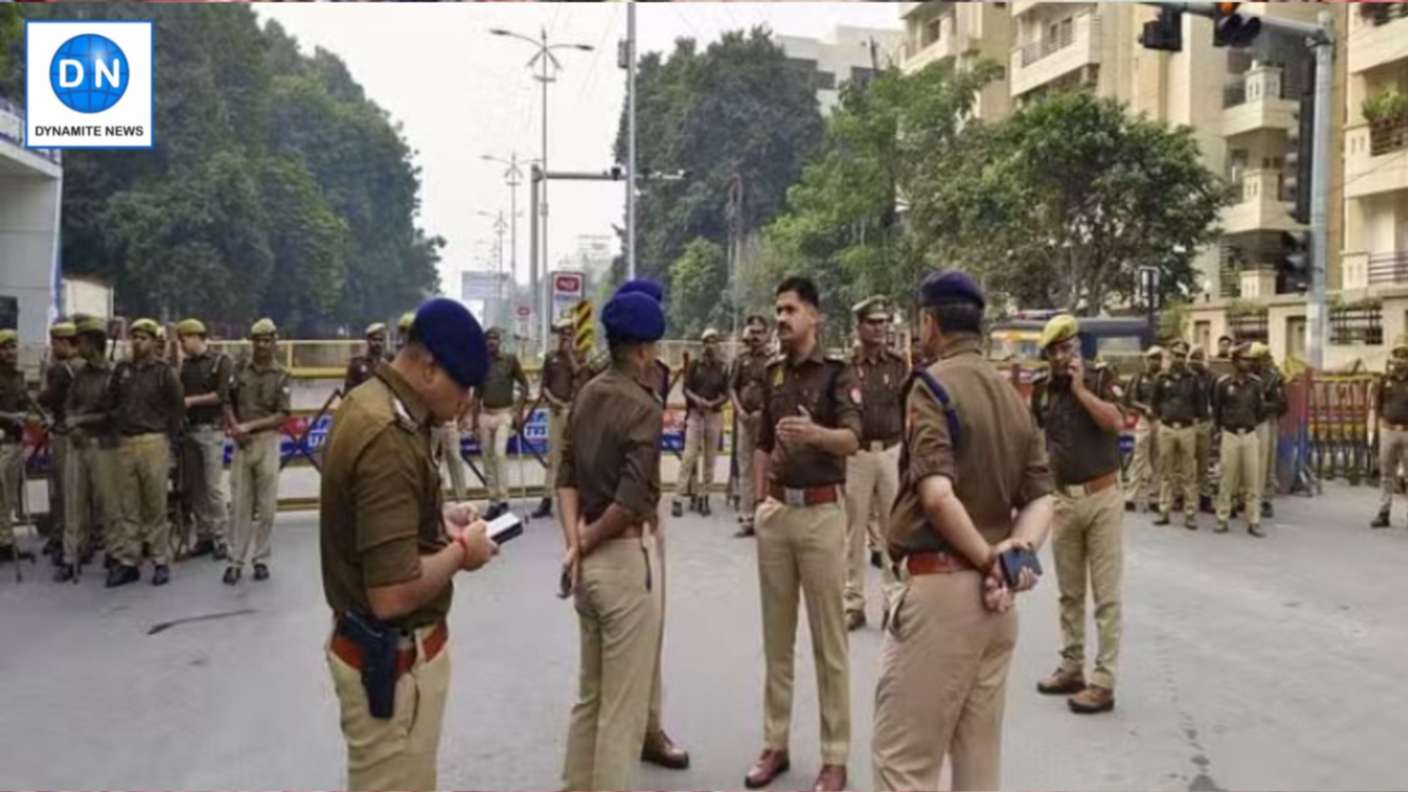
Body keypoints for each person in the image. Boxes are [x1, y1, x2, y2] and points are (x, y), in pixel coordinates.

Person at [871, 271, 1054, 792]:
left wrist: (986, 559)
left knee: (903, 763)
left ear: (929, 323)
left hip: (943, 594)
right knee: (977, 764)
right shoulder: (1010, 395)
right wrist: (1015, 557)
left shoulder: (931, 387)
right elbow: (1042, 497)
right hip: (996, 611)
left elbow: (936, 494)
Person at [320, 298, 498, 792]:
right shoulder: (390, 438)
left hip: (382, 657)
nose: (466, 401)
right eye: (462, 385)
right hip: (392, 667)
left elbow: (375, 516)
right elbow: (392, 594)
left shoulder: (372, 401)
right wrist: (465, 552)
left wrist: (438, 517)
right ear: (427, 367)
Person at [743, 275, 861, 792]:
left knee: (828, 642)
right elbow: (763, 442)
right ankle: (776, 744)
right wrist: (760, 498)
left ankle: (835, 756)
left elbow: (853, 439)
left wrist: (816, 434)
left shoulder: (837, 375)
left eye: (790, 310)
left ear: (814, 316)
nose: (782, 320)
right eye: (778, 311)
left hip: (820, 516)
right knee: (776, 640)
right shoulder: (772, 376)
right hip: (778, 516)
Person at [556, 289, 669, 791]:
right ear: (644, 350)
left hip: (586, 564)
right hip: (622, 556)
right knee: (621, 715)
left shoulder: (586, 394)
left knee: (590, 699)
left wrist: (573, 544)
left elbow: (565, 477)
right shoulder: (643, 406)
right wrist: (590, 540)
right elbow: (628, 499)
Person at [608, 277, 691, 772]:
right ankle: (623, 737)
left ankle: (649, 727)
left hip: (646, 508)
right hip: (620, 515)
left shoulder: (657, 373)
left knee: (653, 627)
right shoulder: (610, 381)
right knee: (624, 636)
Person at [1031, 314, 1127, 715]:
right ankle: (1072, 667)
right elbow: (1039, 442)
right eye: (1055, 350)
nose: (1062, 356)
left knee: (1105, 596)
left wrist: (1081, 389)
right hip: (1064, 501)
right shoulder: (1041, 392)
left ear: (1078, 347)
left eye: (1068, 347)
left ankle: (1103, 681)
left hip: (1102, 497)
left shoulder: (1101, 378)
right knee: (1069, 593)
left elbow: (1115, 422)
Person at [843, 296, 908, 632]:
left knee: (892, 528)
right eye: (873, 322)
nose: (880, 328)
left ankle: (893, 599)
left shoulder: (898, 365)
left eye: (884, 322)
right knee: (854, 530)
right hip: (858, 453)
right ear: (859, 326)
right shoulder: (846, 367)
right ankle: (853, 602)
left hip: (891, 453)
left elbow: (908, 408)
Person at [104, 318, 184, 588]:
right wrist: (120, 421)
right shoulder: (122, 370)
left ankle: (160, 560)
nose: (138, 341)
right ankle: (130, 561)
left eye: (144, 337)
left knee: (155, 504)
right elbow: (110, 401)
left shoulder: (164, 372)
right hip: (126, 442)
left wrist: (167, 438)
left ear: (153, 341)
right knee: (128, 505)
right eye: (135, 336)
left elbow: (177, 408)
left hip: (154, 441)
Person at [222, 319, 291, 585]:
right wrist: (235, 427)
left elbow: (283, 413)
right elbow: (227, 400)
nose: (262, 346)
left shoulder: (281, 374)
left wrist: (250, 425)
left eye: (267, 340)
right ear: (252, 342)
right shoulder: (240, 370)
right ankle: (234, 561)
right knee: (239, 505)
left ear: (274, 342)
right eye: (258, 340)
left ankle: (261, 558)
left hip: (267, 440)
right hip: (242, 442)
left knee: (267, 507)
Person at [55, 318, 119, 581]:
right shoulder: (80, 374)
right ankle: (71, 557)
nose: (77, 344)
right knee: (73, 503)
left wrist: (81, 421)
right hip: (77, 443)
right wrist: (74, 426)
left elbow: (113, 414)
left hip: (102, 444)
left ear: (92, 343)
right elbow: (69, 404)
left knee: (109, 504)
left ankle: (116, 553)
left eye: (81, 340)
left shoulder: (113, 375)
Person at [177, 318, 233, 560]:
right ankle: (204, 534)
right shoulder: (185, 367)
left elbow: (221, 395)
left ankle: (221, 536)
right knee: (196, 488)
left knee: (212, 487)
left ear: (197, 337)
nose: (182, 344)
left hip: (211, 430)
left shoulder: (220, 362)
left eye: (185, 339)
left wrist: (191, 401)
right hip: (191, 430)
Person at [472, 327, 529, 520]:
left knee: (499, 454)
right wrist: (473, 423)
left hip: (505, 413)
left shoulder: (510, 360)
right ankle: (493, 501)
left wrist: (519, 412)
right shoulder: (480, 364)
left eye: (494, 338)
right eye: (488, 339)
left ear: (500, 341)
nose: (491, 342)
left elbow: (525, 386)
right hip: (485, 414)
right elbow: (476, 396)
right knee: (487, 458)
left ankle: (504, 499)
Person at [674, 328, 729, 518]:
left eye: (715, 341)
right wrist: (697, 401)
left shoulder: (722, 367)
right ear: (703, 344)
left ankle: (705, 496)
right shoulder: (695, 365)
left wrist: (713, 403)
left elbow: (726, 393)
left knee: (710, 459)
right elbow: (686, 388)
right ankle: (678, 497)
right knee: (689, 456)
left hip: (713, 415)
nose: (711, 345)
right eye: (708, 341)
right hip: (696, 415)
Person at [1213, 343, 1266, 537]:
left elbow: (1260, 411)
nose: (1248, 363)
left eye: (1250, 360)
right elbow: (1217, 411)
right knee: (1227, 479)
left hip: (1250, 434)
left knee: (1252, 479)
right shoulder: (1223, 384)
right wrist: (1222, 429)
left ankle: (1254, 520)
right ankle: (1222, 517)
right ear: (1235, 361)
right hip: (1230, 434)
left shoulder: (1256, 384)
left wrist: (1250, 423)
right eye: (1244, 359)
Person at [1151, 339, 1205, 530]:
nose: (1179, 358)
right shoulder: (1161, 378)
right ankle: (1164, 511)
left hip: (1187, 428)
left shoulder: (1193, 379)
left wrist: (1195, 423)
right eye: (1175, 354)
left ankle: (1190, 514)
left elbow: (1201, 405)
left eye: (1182, 355)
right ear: (1170, 355)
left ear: (1186, 357)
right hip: (1166, 427)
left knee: (1188, 473)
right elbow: (1154, 403)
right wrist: (1160, 420)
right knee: (1166, 471)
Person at [38, 321, 77, 560]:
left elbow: (47, 398)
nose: (53, 347)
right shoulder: (83, 366)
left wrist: (44, 376)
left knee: (62, 491)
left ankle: (61, 537)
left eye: (55, 342)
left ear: (63, 342)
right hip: (82, 434)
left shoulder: (61, 370)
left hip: (64, 433)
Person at [729, 315, 771, 538]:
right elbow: (732, 388)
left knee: (765, 468)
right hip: (744, 420)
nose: (755, 336)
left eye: (759, 332)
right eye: (751, 331)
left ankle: (764, 516)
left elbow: (776, 390)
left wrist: (762, 412)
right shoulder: (741, 359)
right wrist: (741, 411)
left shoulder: (773, 360)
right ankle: (747, 518)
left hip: (765, 421)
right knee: (745, 466)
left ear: (766, 334)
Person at [535, 318, 580, 519]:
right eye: (562, 334)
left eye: (569, 334)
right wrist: (552, 401)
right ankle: (547, 500)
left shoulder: (580, 357)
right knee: (554, 457)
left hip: (574, 412)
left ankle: (575, 501)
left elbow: (580, 376)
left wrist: (570, 354)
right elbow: (543, 386)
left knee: (575, 457)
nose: (565, 337)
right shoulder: (550, 357)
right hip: (555, 411)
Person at [0, 328, 38, 564]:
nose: (10, 352)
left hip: (15, 442)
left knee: (9, 496)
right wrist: (10, 416)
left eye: (13, 347)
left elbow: (28, 403)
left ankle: (4, 542)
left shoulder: (18, 377)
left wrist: (35, 418)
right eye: (5, 347)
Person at [1373, 336, 1408, 529]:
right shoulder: (1384, 381)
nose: (1401, 360)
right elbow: (1377, 406)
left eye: (1405, 356)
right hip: (1388, 430)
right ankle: (1383, 512)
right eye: (1398, 356)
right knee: (1386, 474)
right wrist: (1380, 427)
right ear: (1392, 358)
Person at [1124, 346, 1163, 512]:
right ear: (1147, 360)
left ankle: (1155, 497)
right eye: (1152, 358)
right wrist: (1144, 408)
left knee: (1158, 460)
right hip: (1143, 420)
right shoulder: (1139, 378)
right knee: (1139, 458)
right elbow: (1131, 399)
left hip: (1160, 420)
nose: (1155, 361)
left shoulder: (1164, 378)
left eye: (1158, 358)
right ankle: (1131, 496)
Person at [1254, 342, 1287, 517]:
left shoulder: (1275, 377)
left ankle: (1266, 499)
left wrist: (1264, 407)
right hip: (1250, 420)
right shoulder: (1249, 374)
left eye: (1260, 359)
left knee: (1267, 462)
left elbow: (1282, 404)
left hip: (1268, 420)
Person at [1188, 345, 1215, 510]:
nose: (1196, 360)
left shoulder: (1210, 377)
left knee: (1204, 464)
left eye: (1199, 356)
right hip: (1188, 424)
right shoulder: (1186, 376)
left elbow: (1215, 399)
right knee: (1186, 465)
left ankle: (1205, 497)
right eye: (1194, 356)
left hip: (1204, 423)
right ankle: (1186, 498)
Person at [344, 322, 390, 394]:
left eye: (380, 340)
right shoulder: (357, 363)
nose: (377, 343)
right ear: (368, 340)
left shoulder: (387, 365)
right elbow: (348, 393)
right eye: (374, 339)